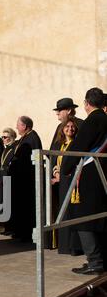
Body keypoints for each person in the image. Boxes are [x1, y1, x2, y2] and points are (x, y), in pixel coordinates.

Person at [61, 87, 107, 274]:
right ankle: (100, 259)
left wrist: (66, 167)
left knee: (84, 217)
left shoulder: (93, 119)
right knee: (98, 217)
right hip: (102, 172)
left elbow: (79, 146)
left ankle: (95, 261)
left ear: (87, 103)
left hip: (90, 174)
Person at [50, 117, 82, 255]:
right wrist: (56, 171)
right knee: (62, 214)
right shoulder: (59, 145)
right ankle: (63, 246)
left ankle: (74, 247)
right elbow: (55, 162)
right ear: (62, 129)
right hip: (61, 185)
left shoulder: (77, 144)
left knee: (71, 213)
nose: (70, 129)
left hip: (73, 183)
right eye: (67, 126)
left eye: (72, 126)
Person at [8, 116, 42, 242]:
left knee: (27, 208)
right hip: (20, 180)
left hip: (27, 180)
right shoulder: (24, 138)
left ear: (25, 126)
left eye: (18, 125)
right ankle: (20, 231)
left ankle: (26, 234)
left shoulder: (32, 138)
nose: (16, 127)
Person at [0, 128, 17, 235]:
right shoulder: (5, 149)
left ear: (11, 137)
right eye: (2, 137)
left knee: (9, 204)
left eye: (5, 137)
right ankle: (6, 226)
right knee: (4, 203)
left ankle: (11, 228)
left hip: (9, 178)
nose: (3, 139)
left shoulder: (14, 148)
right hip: (3, 178)